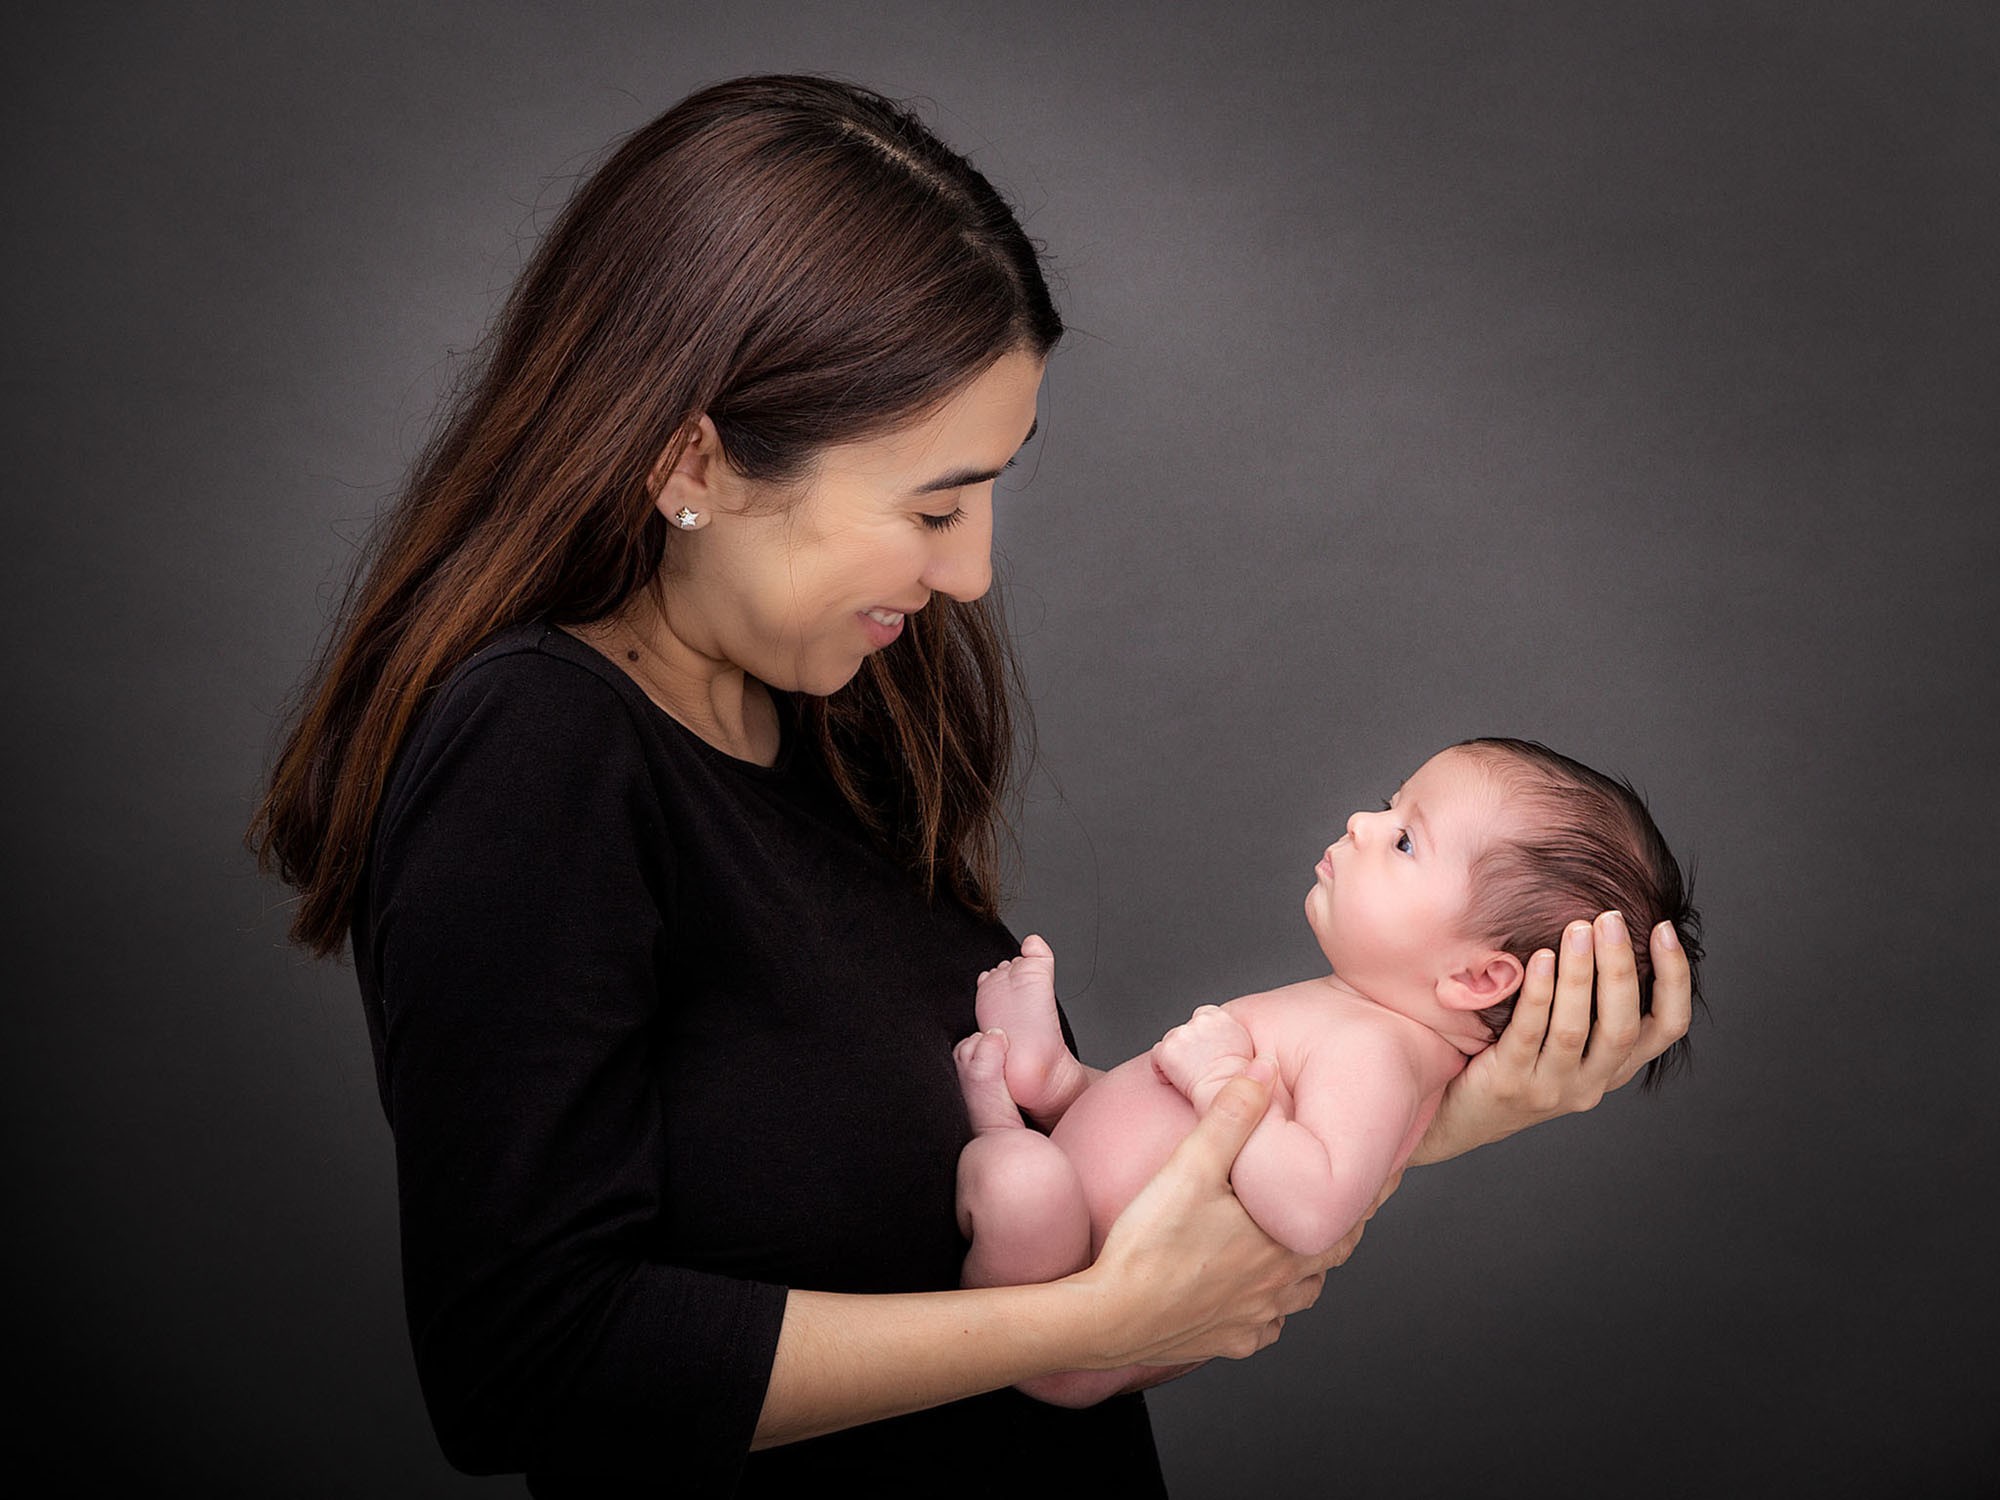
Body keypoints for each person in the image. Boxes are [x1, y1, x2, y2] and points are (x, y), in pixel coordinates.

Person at [250, 75, 1693, 1497]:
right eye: (934, 504)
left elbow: (1098, 1200)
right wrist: (1085, 1330)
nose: (973, 571)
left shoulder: (825, 707)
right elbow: (530, 1367)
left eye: (993, 488)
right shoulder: (538, 754)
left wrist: (1448, 1102)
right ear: (692, 460)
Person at [953, 737, 1703, 1407]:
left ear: (1478, 980)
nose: (1361, 823)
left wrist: (1221, 1083)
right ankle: (1052, 1088)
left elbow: (1310, 1210)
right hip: (1087, 1261)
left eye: (1406, 840)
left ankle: (1000, 1121)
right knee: (1051, 1161)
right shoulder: (1358, 1017)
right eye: (1388, 806)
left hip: (1070, 1328)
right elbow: (1162, 1138)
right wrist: (1083, 1086)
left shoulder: (1378, 1055)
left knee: (1023, 1181)